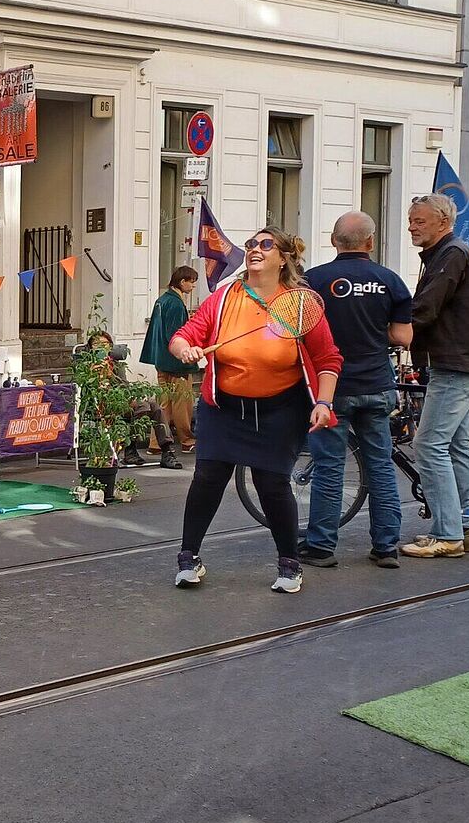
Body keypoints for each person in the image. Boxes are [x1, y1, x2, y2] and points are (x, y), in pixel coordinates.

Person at [169, 226, 342, 593]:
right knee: (207, 478)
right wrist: (185, 348)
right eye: (251, 244)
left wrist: (324, 402)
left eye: (266, 245)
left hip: (279, 410)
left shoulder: (298, 304)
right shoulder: (224, 297)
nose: (255, 249)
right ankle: (188, 558)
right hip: (224, 409)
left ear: (283, 258)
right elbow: (185, 334)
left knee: (272, 484)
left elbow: (328, 358)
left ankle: (289, 564)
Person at [302, 212, 413, 569]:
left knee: (330, 466)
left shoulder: (313, 281)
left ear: (334, 241)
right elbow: (402, 337)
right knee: (380, 465)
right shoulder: (391, 281)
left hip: (329, 389)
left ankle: (321, 545)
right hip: (377, 384)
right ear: (370, 242)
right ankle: (385, 546)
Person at [399, 193, 469, 558]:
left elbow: (426, 307)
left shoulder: (451, 254)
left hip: (455, 361)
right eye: (411, 220)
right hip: (462, 359)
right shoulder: (448, 253)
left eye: (419, 221)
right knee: (454, 446)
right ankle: (463, 526)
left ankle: (447, 532)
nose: (412, 226)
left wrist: (393, 330)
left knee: (428, 444)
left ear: (443, 222)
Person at [84, 331, 183, 470]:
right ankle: (130, 448)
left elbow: (124, 386)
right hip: (104, 404)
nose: (101, 347)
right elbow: (90, 390)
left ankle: (167, 451)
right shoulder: (87, 365)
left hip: (122, 399)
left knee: (154, 406)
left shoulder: (116, 364)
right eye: (97, 344)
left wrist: (113, 375)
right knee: (143, 407)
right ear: (91, 347)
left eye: (105, 344)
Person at [140, 266, 200, 455]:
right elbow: (175, 335)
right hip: (176, 362)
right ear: (182, 282)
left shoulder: (161, 300)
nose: (193, 286)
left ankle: (157, 443)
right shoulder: (174, 303)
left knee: (163, 405)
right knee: (183, 403)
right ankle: (187, 440)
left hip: (161, 360)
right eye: (191, 281)